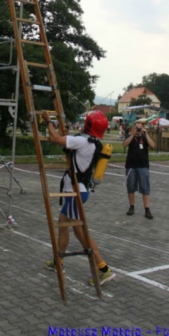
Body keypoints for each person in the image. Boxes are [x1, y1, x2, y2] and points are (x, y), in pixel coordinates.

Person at [43, 110, 115, 286]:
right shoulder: (93, 142)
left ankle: (103, 268)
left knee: (79, 231)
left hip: (76, 191)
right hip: (76, 191)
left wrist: (48, 121)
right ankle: (58, 261)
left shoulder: (82, 141)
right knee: (63, 224)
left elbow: (54, 139)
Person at [123, 122, 155, 219]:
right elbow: (124, 144)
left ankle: (147, 209)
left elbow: (153, 146)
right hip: (131, 166)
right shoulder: (130, 136)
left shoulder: (145, 137)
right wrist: (132, 134)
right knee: (131, 187)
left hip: (143, 166)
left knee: (145, 187)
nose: (138, 129)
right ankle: (131, 207)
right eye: (136, 127)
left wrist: (146, 134)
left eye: (140, 127)